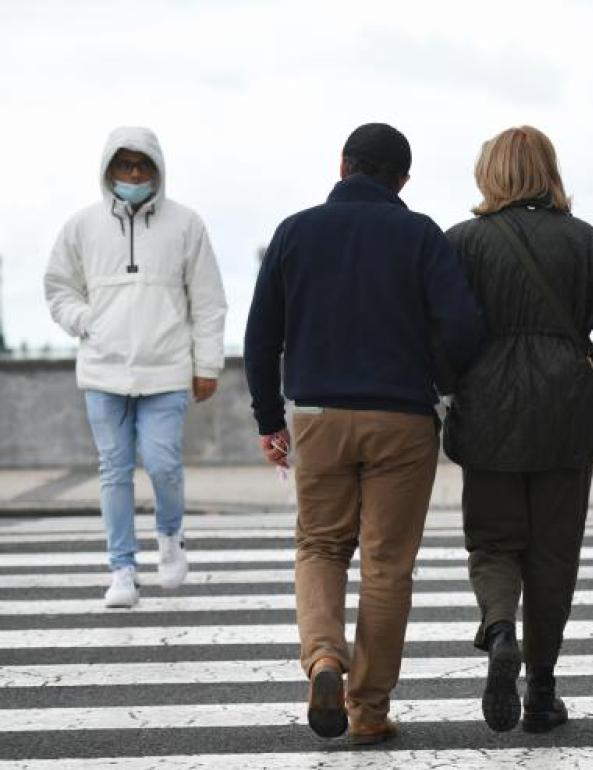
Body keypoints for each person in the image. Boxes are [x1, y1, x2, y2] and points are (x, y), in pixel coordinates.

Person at [243, 123, 486, 744]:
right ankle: (369, 711)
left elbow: (260, 335)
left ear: (342, 164)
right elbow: (463, 325)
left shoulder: (295, 232)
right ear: (402, 179)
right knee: (386, 566)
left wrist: (270, 419)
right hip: (402, 419)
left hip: (318, 416)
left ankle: (323, 658)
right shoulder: (421, 234)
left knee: (321, 546)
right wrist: (434, 372)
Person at [443, 126, 593, 735]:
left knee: (494, 542)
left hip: (489, 406)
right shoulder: (581, 241)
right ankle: (543, 692)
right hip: (564, 408)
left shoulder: (462, 243)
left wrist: (443, 390)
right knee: (553, 556)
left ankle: (500, 630)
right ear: (549, 171)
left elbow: (436, 332)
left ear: (490, 174)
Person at [44, 126, 227, 609]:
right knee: (114, 470)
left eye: (142, 165)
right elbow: (59, 286)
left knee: (164, 463)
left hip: (166, 369)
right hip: (103, 371)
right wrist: (86, 321)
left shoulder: (186, 224)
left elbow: (208, 301)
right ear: (109, 170)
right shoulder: (81, 226)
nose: (134, 174)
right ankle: (122, 567)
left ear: (157, 170)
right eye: (124, 165)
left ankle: (170, 535)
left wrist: (206, 363)